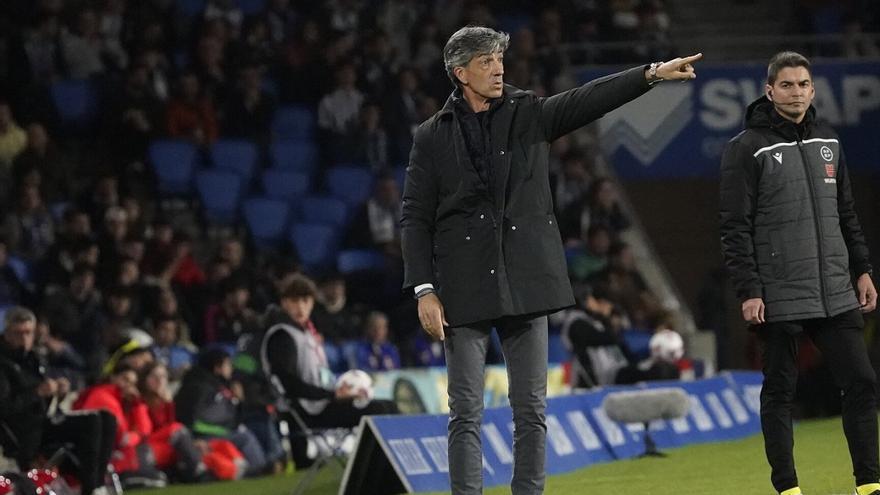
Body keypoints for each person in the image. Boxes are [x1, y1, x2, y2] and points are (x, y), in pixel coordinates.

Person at [400, 25, 700, 494]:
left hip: (525, 279)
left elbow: (587, 99)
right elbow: (414, 217)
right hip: (462, 285)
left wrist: (650, 75)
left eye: (499, 58)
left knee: (531, 410)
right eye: (486, 62)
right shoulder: (431, 137)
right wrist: (424, 289)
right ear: (461, 73)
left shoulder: (527, 112)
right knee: (465, 413)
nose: (498, 68)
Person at [719, 51, 879, 495]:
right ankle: (788, 488)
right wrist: (749, 289)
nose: (796, 92)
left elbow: (846, 213)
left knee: (863, 382)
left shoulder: (829, 141)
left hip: (834, 289)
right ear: (769, 91)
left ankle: (869, 484)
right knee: (781, 392)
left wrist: (862, 269)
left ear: (813, 89)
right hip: (779, 291)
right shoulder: (746, 148)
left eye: (803, 84)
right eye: (786, 85)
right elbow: (734, 227)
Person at [0, 307, 116, 495]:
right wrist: (37, 392)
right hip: (24, 432)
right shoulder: (3, 363)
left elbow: (44, 395)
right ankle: (90, 489)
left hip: (43, 421)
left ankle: (97, 484)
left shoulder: (33, 357)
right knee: (91, 422)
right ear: (6, 333)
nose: (23, 338)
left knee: (106, 418)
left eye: (28, 333)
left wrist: (58, 392)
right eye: (17, 333)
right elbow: (5, 407)